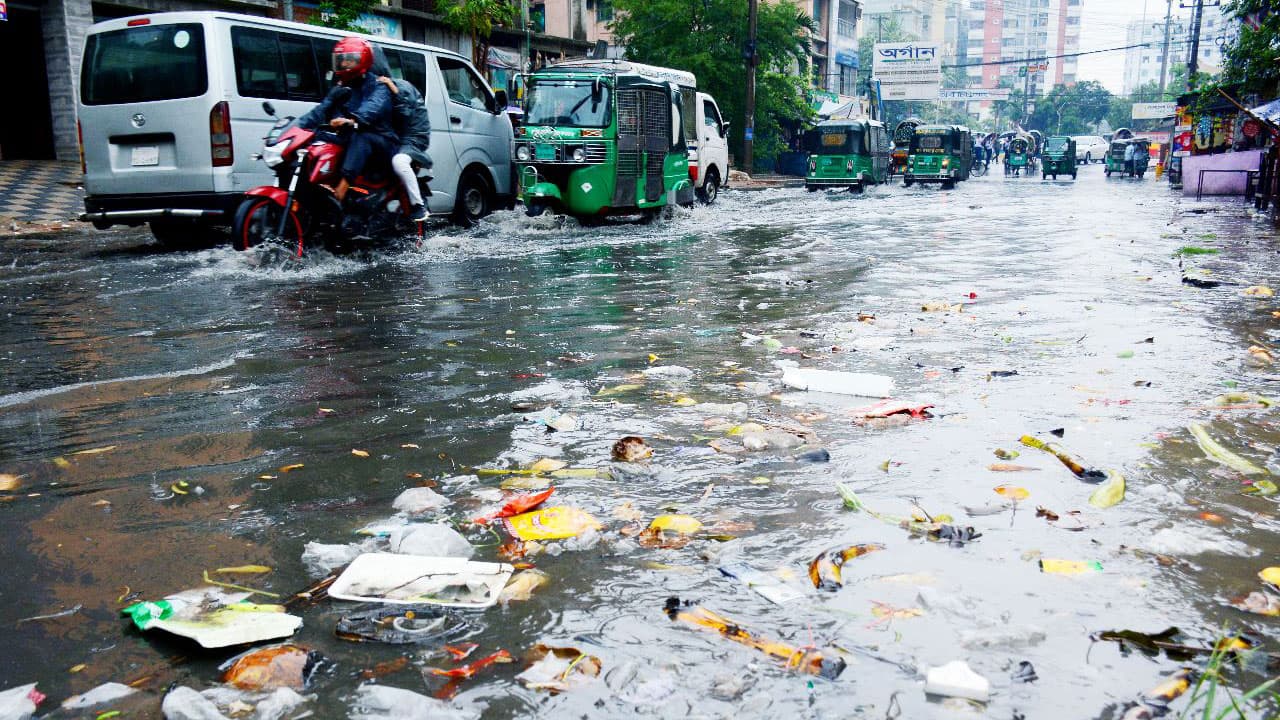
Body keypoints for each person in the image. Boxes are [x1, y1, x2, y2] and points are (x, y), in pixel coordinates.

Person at [297, 37, 397, 203]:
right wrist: (299, 128)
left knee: (362, 136)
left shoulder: (379, 85)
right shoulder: (343, 86)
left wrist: (351, 121)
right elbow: (321, 110)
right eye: (341, 60)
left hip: (383, 140)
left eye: (349, 60)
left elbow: (372, 108)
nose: (344, 64)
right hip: (353, 135)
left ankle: (342, 189)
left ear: (362, 60)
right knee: (317, 135)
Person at [378, 75, 432, 221]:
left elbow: (405, 112)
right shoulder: (364, 86)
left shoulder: (401, 87)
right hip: (394, 136)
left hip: (413, 138)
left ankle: (418, 205)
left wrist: (394, 90)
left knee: (399, 162)